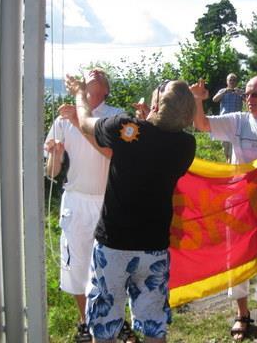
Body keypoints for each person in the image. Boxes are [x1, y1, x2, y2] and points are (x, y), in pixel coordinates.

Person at [66, 76, 197, 343]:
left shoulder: (125, 128)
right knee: (153, 327)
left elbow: (85, 122)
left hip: (113, 246)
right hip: (154, 249)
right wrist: (149, 119)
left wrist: (80, 93)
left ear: (158, 104)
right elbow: (155, 139)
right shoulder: (186, 145)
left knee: (104, 326)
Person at [193, 75, 257, 342]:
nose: (249, 99)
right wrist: (199, 100)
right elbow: (201, 124)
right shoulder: (237, 121)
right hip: (239, 207)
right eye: (247, 94)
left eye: (255, 95)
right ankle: (242, 313)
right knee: (236, 260)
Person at [44, 68, 124, 343]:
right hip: (76, 200)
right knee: (77, 263)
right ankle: (84, 320)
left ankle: (114, 320)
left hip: (108, 200)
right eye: (90, 71)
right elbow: (52, 172)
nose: (93, 71)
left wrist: (79, 123)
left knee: (110, 264)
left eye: (99, 73)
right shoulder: (65, 116)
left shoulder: (116, 115)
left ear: (105, 89)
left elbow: (114, 154)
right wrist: (54, 154)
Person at [212, 73, 244, 162]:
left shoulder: (240, 91)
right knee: (225, 142)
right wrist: (224, 92)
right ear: (227, 81)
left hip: (237, 121)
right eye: (230, 80)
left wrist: (241, 94)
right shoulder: (222, 91)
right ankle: (227, 158)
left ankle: (232, 160)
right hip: (224, 120)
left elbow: (248, 100)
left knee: (235, 141)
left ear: (237, 82)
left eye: (234, 80)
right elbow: (214, 99)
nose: (232, 82)